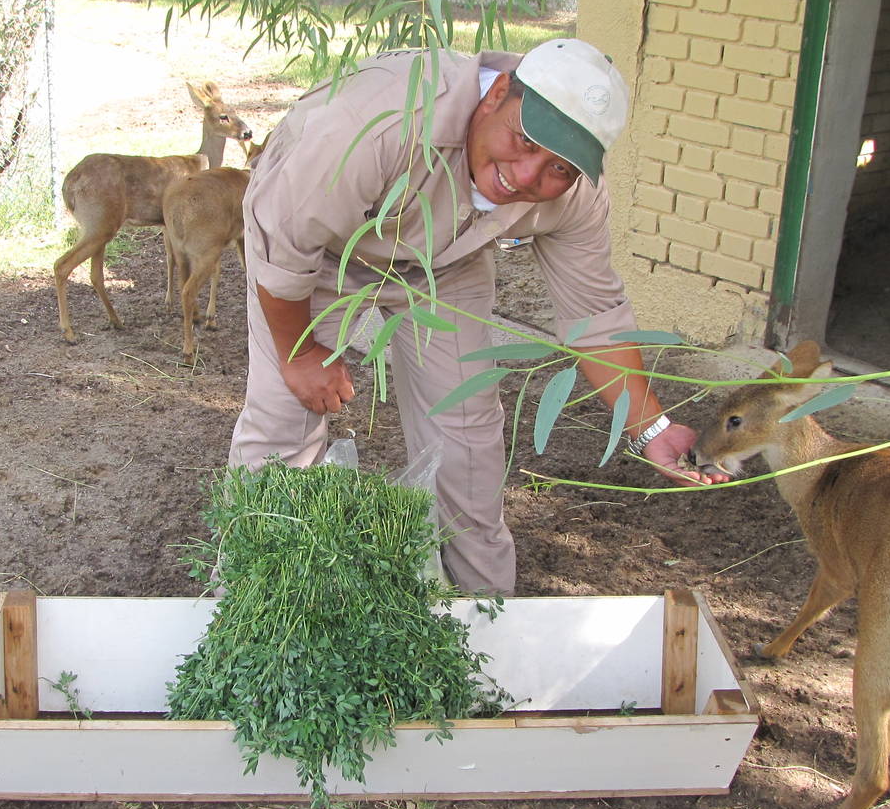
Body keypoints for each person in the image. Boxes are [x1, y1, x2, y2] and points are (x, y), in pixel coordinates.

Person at [230, 38, 712, 596]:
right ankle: (245, 606)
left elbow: (595, 316)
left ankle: (483, 624)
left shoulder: (573, 197)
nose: (527, 176)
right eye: (524, 140)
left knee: (467, 441)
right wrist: (299, 354)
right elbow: (280, 241)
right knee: (282, 425)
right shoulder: (381, 124)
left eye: (558, 167)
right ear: (498, 93)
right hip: (322, 255)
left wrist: (650, 427)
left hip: (443, 266)